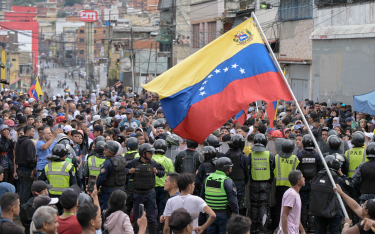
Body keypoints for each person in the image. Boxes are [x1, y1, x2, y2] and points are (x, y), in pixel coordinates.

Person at [125, 143, 165, 234]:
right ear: (143, 153)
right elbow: (124, 170)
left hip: (150, 193)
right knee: (137, 218)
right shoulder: (134, 162)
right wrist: (129, 171)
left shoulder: (153, 162)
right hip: (137, 194)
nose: (152, 154)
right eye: (149, 153)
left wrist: (157, 172)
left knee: (152, 218)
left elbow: (162, 172)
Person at [200, 157, 238, 234]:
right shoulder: (227, 181)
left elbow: (202, 198)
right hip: (223, 215)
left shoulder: (207, 179)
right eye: (230, 167)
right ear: (226, 168)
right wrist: (236, 214)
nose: (231, 168)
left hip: (210, 214)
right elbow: (233, 201)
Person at [248, 133, 274, 234]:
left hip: (254, 183)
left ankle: (254, 227)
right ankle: (263, 227)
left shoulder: (251, 154)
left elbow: (248, 168)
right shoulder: (269, 154)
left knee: (254, 205)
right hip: (266, 183)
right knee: (263, 205)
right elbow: (273, 168)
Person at [273, 139, 300, 230]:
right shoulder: (295, 159)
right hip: (291, 187)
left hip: (278, 186)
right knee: (290, 210)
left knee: (278, 207)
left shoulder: (276, 157)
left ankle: (277, 226)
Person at [296, 134, 322, 232]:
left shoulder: (300, 155)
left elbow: (297, 169)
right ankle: (312, 227)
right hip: (314, 183)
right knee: (313, 204)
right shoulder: (316, 155)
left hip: (303, 183)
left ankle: (304, 227)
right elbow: (320, 169)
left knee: (303, 204)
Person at [151, 139, 174, 232]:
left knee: (152, 207)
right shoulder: (168, 160)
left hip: (152, 188)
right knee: (162, 208)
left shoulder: (151, 159)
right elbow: (172, 174)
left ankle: (153, 226)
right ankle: (161, 227)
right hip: (164, 188)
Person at [96, 141, 126, 210]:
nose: (103, 152)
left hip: (108, 192)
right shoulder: (122, 159)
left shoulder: (107, 163)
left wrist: (96, 187)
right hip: (121, 191)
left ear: (111, 152)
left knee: (106, 211)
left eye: (105, 150)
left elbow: (101, 177)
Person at [345, 131, 367, 224]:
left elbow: (345, 167)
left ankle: (355, 223)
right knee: (363, 205)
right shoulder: (366, 152)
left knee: (354, 204)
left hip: (351, 182)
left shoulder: (347, 152)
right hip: (363, 182)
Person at [225, 134, 249, 215]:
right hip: (238, 183)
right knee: (238, 205)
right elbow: (247, 173)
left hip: (227, 183)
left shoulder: (226, 154)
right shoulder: (243, 156)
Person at [15, 125, 36, 204]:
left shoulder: (18, 142)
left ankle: (20, 208)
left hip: (20, 169)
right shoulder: (29, 142)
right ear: (28, 132)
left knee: (22, 189)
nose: (34, 133)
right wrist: (32, 170)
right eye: (32, 131)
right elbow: (30, 158)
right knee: (26, 190)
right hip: (27, 169)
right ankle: (24, 209)